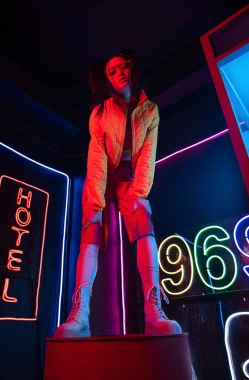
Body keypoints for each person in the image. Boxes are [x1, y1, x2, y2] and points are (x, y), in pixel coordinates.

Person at [54, 49, 181, 338]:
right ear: (107, 79)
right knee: (91, 230)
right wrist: (97, 202)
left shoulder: (150, 110)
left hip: (128, 175)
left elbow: (148, 155)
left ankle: (153, 311)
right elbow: (97, 156)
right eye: (112, 71)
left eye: (123, 67)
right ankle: (80, 313)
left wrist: (139, 194)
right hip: (101, 174)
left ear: (133, 69)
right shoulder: (100, 112)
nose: (119, 73)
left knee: (143, 222)